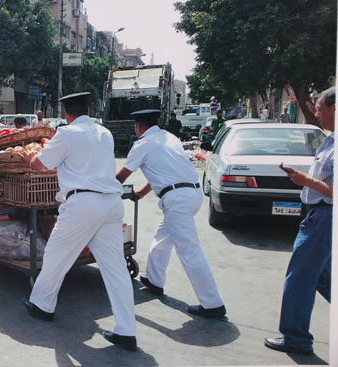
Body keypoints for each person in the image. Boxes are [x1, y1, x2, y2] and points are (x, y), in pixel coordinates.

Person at [21, 92, 137, 351]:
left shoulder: (67, 133)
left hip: (83, 204)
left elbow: (40, 165)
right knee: (116, 270)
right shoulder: (104, 133)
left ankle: (42, 305)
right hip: (110, 204)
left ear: (66, 113)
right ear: (88, 108)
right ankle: (127, 330)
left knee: (55, 256)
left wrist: (28, 158)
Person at [116, 109, 226, 319]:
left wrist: (100, 189)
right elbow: (162, 172)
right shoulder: (169, 137)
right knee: (161, 240)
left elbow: (121, 176)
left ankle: (213, 304)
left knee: (189, 250)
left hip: (177, 200)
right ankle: (155, 281)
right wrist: (141, 193)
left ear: (138, 127)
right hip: (190, 194)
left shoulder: (142, 144)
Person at [264, 87, 334, 356]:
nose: (316, 113)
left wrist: (306, 181)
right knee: (323, 278)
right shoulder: (329, 140)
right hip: (318, 215)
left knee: (300, 277)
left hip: (324, 217)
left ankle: (295, 338)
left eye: (320, 108)